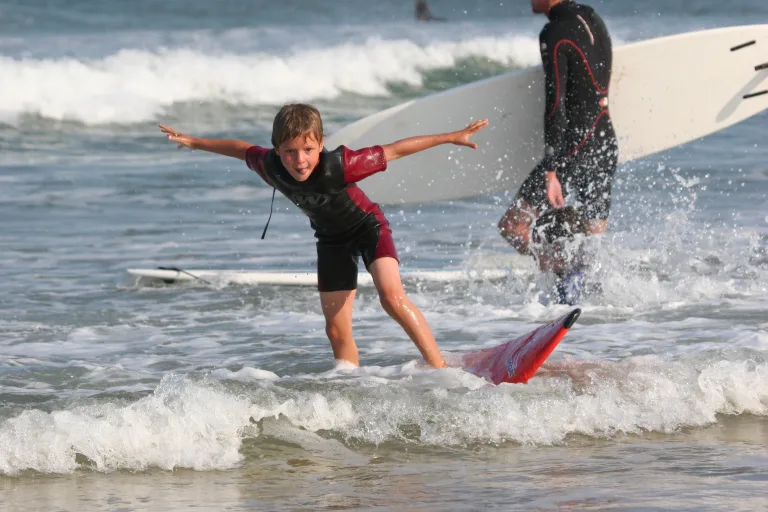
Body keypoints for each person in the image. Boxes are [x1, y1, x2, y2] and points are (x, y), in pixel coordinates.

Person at [159, 104, 488, 369]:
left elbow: (396, 150)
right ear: (276, 149)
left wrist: (451, 137)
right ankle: (348, 382)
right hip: (331, 241)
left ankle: (440, 368)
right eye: (289, 151)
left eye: (308, 149)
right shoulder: (268, 165)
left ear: (320, 144)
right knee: (334, 327)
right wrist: (195, 143)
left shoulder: (342, 165)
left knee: (392, 298)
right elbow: (241, 148)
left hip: (369, 229)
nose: (299, 160)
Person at [498, 0, 618, 266]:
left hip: (573, 148)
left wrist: (551, 170)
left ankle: (558, 268)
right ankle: (585, 291)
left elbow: (556, 104)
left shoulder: (554, 32)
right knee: (593, 243)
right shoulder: (591, 17)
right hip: (605, 141)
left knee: (513, 226)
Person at [529, 206, 593, 304]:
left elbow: (567, 310)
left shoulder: (573, 282)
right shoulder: (573, 273)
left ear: (559, 250)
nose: (535, 253)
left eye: (542, 247)